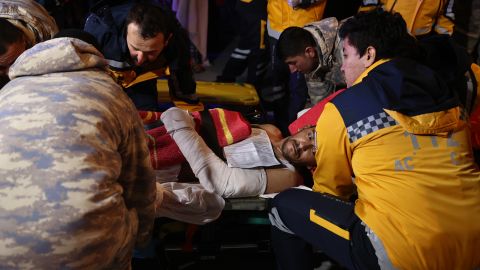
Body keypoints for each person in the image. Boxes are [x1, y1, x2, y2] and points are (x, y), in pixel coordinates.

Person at [269, 9, 480, 270]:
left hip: (402, 253)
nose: (343, 66)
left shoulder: (344, 109)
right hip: (472, 243)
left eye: (345, 55)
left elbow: (331, 192)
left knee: (283, 207)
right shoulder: (448, 96)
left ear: (369, 54)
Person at [0, 36, 157, 269]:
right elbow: (139, 182)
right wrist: (142, 237)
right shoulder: (111, 93)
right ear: (93, 59)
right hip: (90, 250)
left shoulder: (6, 94)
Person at [84, 1, 198, 109]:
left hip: (141, 83)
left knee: (147, 117)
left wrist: (193, 122)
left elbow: (184, 88)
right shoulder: (99, 32)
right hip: (102, 83)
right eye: (135, 48)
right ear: (126, 33)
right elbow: (81, 80)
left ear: (166, 41)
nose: (140, 59)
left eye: (151, 52)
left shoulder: (176, 42)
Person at [265, 0, 327, 135]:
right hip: (276, 27)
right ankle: (280, 130)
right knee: (277, 85)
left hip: (304, 26)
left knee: (299, 90)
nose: (292, 68)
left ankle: (293, 131)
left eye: (293, 64)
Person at [276, 17, 345, 105]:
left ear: (309, 52)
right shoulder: (310, 64)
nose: (292, 70)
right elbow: (320, 106)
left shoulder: (346, 43)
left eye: (293, 63)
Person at [0, 0, 58, 88]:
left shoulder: (49, 35)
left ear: (24, 39)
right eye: (1, 67)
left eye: (14, 61)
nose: (9, 72)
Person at [358, 0, 455, 37]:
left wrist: (443, 42)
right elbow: (369, 5)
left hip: (419, 46)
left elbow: (446, 17)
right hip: (384, 37)